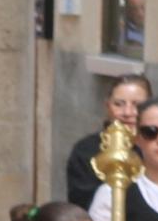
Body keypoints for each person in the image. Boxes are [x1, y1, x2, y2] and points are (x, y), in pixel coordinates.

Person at [59, 76, 146, 213]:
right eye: (119, 104)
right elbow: (82, 204)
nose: (128, 112)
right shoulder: (85, 151)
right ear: (107, 106)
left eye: (137, 105)